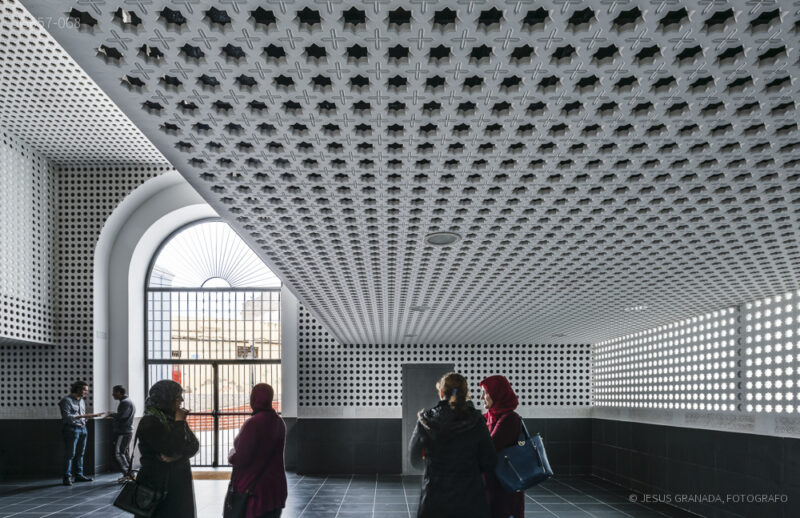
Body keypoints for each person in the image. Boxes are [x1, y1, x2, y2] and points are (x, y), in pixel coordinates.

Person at [409, 372, 496, 518]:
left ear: (441, 392)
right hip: (470, 500)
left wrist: (432, 467)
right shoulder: (477, 420)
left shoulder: (426, 420)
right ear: (465, 393)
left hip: (434, 499)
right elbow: (490, 461)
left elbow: (414, 459)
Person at [135, 379, 199, 518]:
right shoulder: (150, 421)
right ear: (166, 398)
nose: (181, 400)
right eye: (177, 397)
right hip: (157, 483)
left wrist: (179, 456)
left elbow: (194, 445)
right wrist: (180, 422)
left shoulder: (173, 418)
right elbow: (170, 448)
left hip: (176, 483)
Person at [228, 383, 287, 518]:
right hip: (276, 489)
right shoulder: (279, 422)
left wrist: (231, 454)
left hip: (255, 491)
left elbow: (241, 458)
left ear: (254, 399)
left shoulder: (253, 423)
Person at [480, 375, 524, 518]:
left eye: (485, 392)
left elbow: (489, 448)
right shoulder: (489, 417)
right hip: (491, 483)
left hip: (503, 485)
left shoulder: (509, 418)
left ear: (497, 393)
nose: (482, 397)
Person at [58, 380, 104, 486]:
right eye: (84, 390)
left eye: (86, 390)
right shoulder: (66, 400)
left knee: (80, 454)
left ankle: (79, 475)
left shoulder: (82, 401)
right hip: (71, 429)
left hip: (83, 429)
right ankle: (67, 477)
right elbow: (67, 417)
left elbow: (82, 414)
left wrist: (87, 417)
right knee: (70, 454)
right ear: (77, 389)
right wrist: (86, 416)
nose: (86, 392)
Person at [107, 385, 135, 483]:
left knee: (119, 453)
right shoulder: (127, 401)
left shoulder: (124, 402)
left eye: (114, 392)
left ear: (119, 392)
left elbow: (122, 416)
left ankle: (127, 475)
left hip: (123, 432)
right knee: (124, 453)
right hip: (126, 431)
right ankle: (130, 474)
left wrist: (112, 414)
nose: (112, 394)